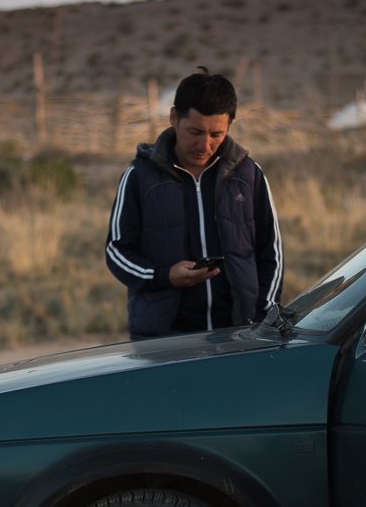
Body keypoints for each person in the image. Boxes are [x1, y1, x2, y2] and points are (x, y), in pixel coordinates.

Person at [105, 68, 283, 338]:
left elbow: (271, 252)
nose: (204, 144)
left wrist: (262, 318)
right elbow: (117, 252)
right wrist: (164, 276)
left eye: (216, 134)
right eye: (195, 132)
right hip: (164, 340)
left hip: (239, 336)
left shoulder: (248, 175)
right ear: (174, 117)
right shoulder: (139, 177)